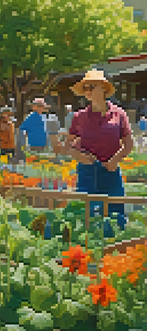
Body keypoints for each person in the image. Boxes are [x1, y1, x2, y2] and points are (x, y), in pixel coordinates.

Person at [68, 69, 132, 237]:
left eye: (91, 87)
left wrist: (115, 160)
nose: (88, 91)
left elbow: (128, 144)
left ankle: (116, 255)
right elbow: (68, 145)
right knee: (87, 217)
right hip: (87, 171)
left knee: (116, 215)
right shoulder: (79, 117)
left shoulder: (119, 114)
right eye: (85, 88)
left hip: (110, 171)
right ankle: (89, 253)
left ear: (104, 88)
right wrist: (80, 156)